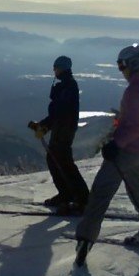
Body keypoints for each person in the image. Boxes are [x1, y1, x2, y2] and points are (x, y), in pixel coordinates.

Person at [75, 44, 139, 264]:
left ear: (133, 64)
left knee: (101, 194)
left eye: (122, 65)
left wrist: (116, 144)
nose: (121, 70)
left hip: (125, 154)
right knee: (138, 193)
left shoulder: (134, 91)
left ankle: (84, 241)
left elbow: (135, 125)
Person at [29, 55, 89, 215]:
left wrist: (45, 125)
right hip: (62, 128)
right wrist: (44, 125)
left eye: (56, 67)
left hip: (64, 129)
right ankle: (68, 194)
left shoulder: (67, 86)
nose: (54, 70)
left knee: (63, 161)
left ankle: (81, 198)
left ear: (62, 68)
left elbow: (60, 112)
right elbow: (58, 112)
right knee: (57, 159)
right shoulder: (66, 85)